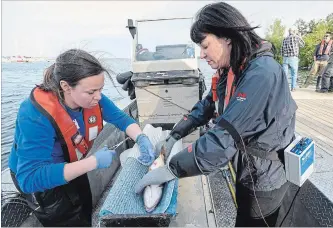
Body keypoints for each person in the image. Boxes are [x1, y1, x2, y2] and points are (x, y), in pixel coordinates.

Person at [135, 2, 297, 227]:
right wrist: (176, 133)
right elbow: (208, 104)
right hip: (246, 166)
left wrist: (171, 169)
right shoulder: (233, 66)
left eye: (205, 46)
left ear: (226, 37)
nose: (202, 55)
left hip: (264, 178)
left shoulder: (262, 74)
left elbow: (222, 139)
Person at [8, 49, 157, 226]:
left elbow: (121, 118)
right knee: (65, 219)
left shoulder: (93, 98)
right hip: (41, 179)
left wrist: (140, 137)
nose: (99, 97)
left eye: (100, 89)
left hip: (74, 164)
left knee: (84, 207)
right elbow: (30, 179)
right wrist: (92, 162)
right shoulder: (34, 115)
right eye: (91, 92)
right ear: (66, 86)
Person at [281, 27, 305, 91]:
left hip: (285, 58)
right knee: (294, 74)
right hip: (293, 57)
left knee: (285, 74)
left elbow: (282, 49)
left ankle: (284, 88)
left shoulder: (284, 39)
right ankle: (293, 88)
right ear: (294, 31)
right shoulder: (296, 37)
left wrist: (283, 56)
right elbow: (303, 44)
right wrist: (300, 36)